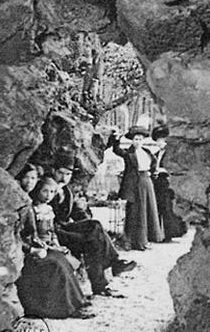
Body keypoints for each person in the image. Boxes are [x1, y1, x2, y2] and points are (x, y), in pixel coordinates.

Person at [49, 152, 134, 297]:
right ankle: (113, 265)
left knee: (93, 236)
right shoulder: (47, 188)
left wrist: (86, 220)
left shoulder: (67, 191)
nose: (64, 178)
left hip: (65, 229)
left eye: (68, 174)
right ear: (53, 171)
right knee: (93, 235)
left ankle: (101, 285)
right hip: (54, 233)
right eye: (60, 173)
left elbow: (77, 213)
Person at [15, 171, 93, 319]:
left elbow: (50, 232)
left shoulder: (46, 209)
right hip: (30, 250)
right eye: (45, 191)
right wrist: (35, 249)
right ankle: (67, 308)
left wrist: (56, 245)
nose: (48, 195)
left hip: (44, 246)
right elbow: (23, 236)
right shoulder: (29, 208)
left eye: (52, 192)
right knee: (56, 263)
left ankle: (77, 300)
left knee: (62, 259)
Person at [109, 126, 163, 250]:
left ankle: (146, 240)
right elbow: (116, 150)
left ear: (143, 140)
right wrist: (116, 139)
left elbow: (154, 164)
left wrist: (153, 172)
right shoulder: (129, 153)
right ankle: (134, 242)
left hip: (147, 182)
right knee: (136, 212)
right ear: (132, 141)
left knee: (147, 211)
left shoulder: (147, 152)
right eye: (135, 139)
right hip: (134, 184)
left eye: (140, 139)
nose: (138, 141)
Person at [150, 125, 187, 241]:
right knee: (159, 207)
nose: (160, 144)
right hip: (158, 184)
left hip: (168, 183)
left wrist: (162, 170)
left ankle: (171, 234)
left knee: (168, 208)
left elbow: (177, 169)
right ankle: (160, 233)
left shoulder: (172, 155)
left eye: (163, 141)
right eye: (158, 141)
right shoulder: (155, 154)